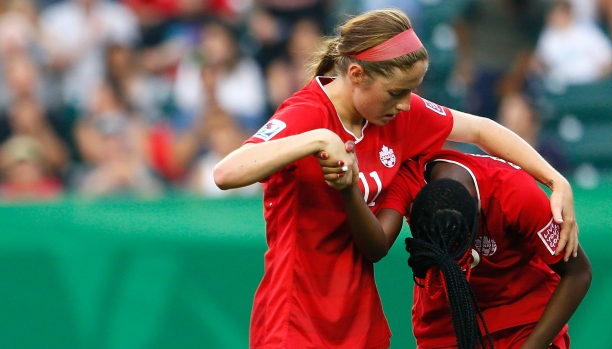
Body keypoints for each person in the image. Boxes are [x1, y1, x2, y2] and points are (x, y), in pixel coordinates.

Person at [213, 8, 578, 348]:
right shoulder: (307, 115)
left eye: (412, 91)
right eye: (397, 92)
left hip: (359, 315)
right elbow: (227, 172)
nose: (406, 103)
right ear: (356, 75)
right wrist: (319, 139)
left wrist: (555, 180)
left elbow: (481, 130)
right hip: (297, 313)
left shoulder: (395, 115)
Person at [337, 149, 590, 348]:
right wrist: (349, 190)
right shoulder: (407, 180)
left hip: (523, 323)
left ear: (478, 207)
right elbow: (376, 247)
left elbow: (578, 273)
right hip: (446, 328)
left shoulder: (517, 193)